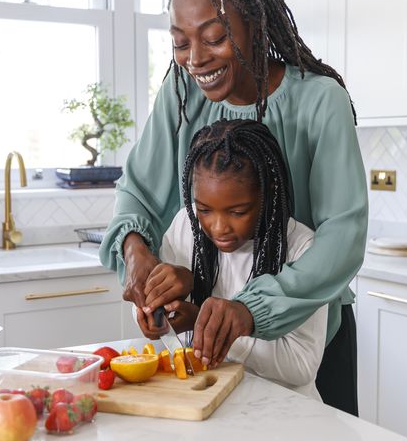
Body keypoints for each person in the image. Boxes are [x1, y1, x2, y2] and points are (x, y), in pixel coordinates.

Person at [99, 0, 367, 414]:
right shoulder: (182, 91)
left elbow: (342, 238)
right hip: (211, 336)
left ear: (256, 30)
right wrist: (138, 256)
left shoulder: (320, 101)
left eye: (215, 37)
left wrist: (251, 311)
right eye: (180, 43)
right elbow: (138, 191)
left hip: (305, 332)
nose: (195, 59)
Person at [135, 120, 328, 398]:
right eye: (204, 209)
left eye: (237, 212)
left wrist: (210, 325)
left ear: (267, 191)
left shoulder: (302, 248)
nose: (218, 227)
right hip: (208, 403)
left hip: (283, 414)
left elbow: (301, 365)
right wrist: (152, 312)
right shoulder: (186, 226)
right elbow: (158, 316)